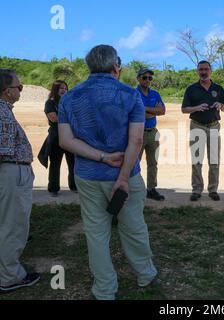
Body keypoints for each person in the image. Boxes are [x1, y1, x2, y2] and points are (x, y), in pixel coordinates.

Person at [58, 45, 157, 300]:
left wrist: (101, 157)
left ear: (90, 66)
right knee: (134, 226)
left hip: (89, 175)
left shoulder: (69, 97)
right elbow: (135, 141)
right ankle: (145, 273)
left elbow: (66, 141)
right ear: (116, 67)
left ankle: (104, 288)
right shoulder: (130, 94)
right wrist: (123, 178)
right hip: (126, 175)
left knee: (96, 232)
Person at [0, 69, 40, 293]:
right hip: (9, 174)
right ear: (7, 92)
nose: (21, 90)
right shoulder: (3, 115)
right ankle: (11, 277)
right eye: (19, 87)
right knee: (12, 227)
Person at [182, 60, 224, 202]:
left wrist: (220, 105)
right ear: (197, 71)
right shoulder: (191, 89)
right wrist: (196, 108)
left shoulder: (218, 88)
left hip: (214, 126)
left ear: (210, 70)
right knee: (197, 160)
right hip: (197, 126)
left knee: (214, 160)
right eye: (201, 69)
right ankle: (197, 190)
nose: (203, 72)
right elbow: (184, 109)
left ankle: (213, 189)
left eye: (206, 69)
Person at [41, 80, 76, 197]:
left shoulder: (71, 102)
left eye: (65, 88)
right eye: (61, 88)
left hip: (70, 137)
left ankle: (74, 186)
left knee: (73, 163)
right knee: (55, 164)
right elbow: (54, 118)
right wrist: (70, 117)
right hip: (56, 138)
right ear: (55, 90)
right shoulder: (50, 103)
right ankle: (53, 189)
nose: (63, 90)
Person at [136, 68, 166, 201]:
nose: (147, 80)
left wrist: (146, 110)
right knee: (134, 162)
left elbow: (162, 111)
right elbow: (136, 113)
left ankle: (151, 189)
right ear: (138, 78)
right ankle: (134, 188)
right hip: (137, 133)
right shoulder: (133, 94)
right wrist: (154, 111)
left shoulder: (155, 93)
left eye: (150, 78)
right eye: (144, 77)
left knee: (153, 163)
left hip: (153, 132)